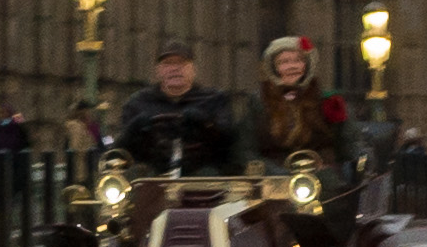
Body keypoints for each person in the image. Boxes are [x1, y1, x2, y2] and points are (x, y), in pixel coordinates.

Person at [111, 40, 245, 174]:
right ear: (158, 70)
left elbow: (230, 143)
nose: (175, 68)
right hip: (152, 172)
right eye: (168, 63)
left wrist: (206, 125)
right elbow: (119, 150)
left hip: (202, 172)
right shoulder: (138, 103)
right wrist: (133, 128)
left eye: (182, 63)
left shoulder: (214, 100)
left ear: (193, 69)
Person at [253, 36, 356, 168]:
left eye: (298, 60)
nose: (292, 66)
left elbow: (348, 143)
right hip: (276, 173)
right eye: (284, 62)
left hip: (319, 171)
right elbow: (246, 150)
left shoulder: (326, 100)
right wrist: (275, 172)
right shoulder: (259, 101)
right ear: (273, 68)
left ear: (307, 66)